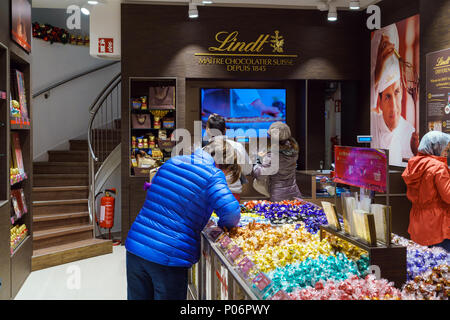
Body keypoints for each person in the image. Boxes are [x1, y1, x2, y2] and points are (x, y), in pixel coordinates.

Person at [125, 146, 241, 300]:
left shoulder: (173, 162)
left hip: (136, 246)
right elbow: (231, 211)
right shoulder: (213, 174)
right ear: (224, 166)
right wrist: (224, 226)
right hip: (168, 255)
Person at [370, 23, 419, 166]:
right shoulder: (373, 121)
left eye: (397, 92)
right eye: (387, 96)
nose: (394, 107)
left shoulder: (408, 132)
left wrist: (417, 153)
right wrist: (378, 71)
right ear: (378, 101)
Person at [402, 131, 450, 252]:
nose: (445, 151)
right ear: (436, 147)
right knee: (442, 265)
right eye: (444, 147)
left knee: (422, 263)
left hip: (418, 223)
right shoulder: (438, 167)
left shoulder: (414, 163)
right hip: (437, 225)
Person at [204, 114, 253, 198]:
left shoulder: (204, 151)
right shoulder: (237, 146)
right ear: (225, 130)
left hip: (212, 195)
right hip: (233, 194)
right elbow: (248, 170)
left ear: (208, 131)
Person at [252, 122, 301, 202]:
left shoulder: (273, 154)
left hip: (279, 195)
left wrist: (258, 159)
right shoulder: (293, 151)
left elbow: (260, 174)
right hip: (294, 193)